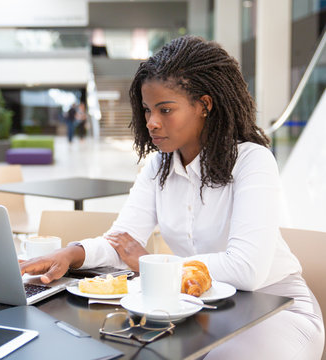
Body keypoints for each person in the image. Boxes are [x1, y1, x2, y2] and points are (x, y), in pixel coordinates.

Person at [20, 35, 324, 359]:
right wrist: (72, 252)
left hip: (273, 308)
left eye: (166, 109)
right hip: (195, 308)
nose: (151, 122)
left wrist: (155, 266)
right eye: (148, 109)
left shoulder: (252, 161)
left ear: (204, 105)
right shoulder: (158, 167)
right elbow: (122, 242)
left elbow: (246, 269)